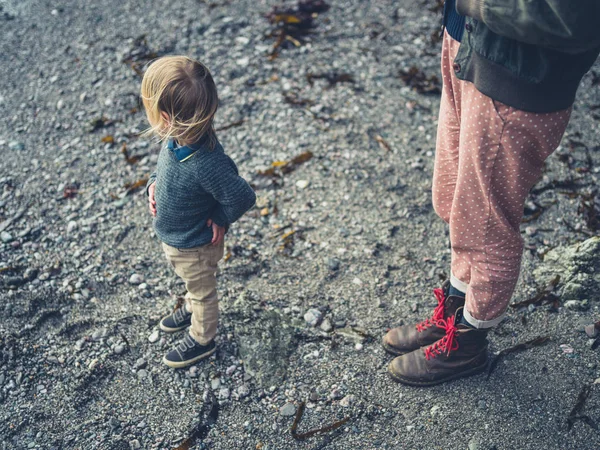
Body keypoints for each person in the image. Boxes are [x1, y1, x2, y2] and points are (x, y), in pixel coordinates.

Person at [383, 0, 600, 386]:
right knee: (455, 198)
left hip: (517, 78)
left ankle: (468, 341)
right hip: (469, 44)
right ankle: (455, 307)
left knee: (486, 226)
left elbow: (574, 17)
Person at [142, 56, 256, 369]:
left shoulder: (206, 163)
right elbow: (162, 172)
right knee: (194, 283)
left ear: (165, 118)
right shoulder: (177, 138)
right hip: (179, 237)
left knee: (204, 289)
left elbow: (242, 196)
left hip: (195, 245)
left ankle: (202, 338)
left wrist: (220, 218)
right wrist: (153, 186)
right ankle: (192, 302)